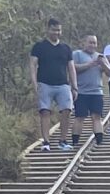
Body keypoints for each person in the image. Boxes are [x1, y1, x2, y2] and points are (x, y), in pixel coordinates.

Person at [28, 20, 76, 153]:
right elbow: (33, 65)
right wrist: (34, 83)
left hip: (63, 84)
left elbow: (71, 67)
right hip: (45, 84)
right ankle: (46, 142)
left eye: (59, 30)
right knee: (45, 112)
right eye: (54, 30)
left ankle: (63, 141)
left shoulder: (66, 48)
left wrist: (74, 86)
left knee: (66, 111)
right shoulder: (39, 47)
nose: (57, 33)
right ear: (48, 30)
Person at [70, 33, 109, 143]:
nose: (92, 45)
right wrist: (90, 64)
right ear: (84, 43)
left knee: (97, 117)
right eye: (90, 42)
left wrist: (103, 64)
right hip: (81, 91)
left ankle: (99, 140)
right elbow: (73, 68)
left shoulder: (100, 56)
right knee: (80, 117)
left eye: (94, 43)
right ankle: (75, 141)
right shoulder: (77, 54)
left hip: (97, 92)